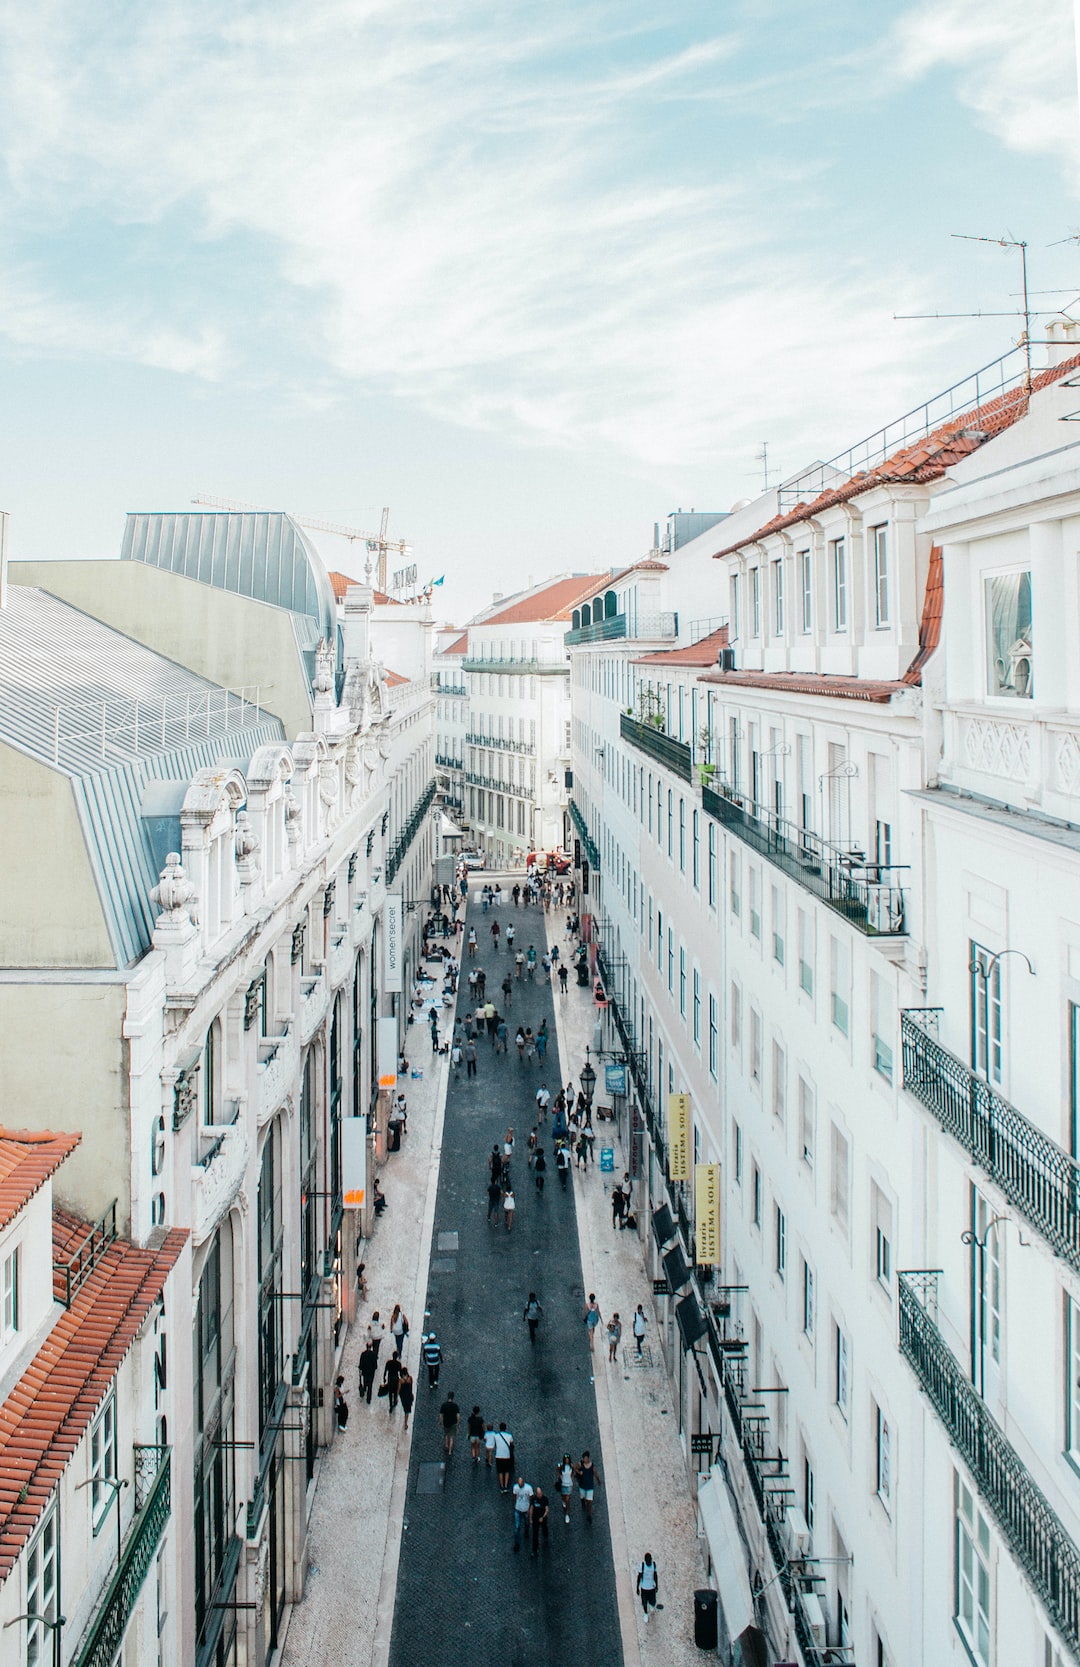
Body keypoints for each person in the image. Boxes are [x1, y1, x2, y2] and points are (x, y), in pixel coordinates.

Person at [575, 1450, 602, 1522]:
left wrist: (598, 1480)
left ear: (588, 1458)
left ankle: (589, 1515)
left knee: (589, 1502)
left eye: (586, 1458)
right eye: (584, 1458)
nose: (585, 1460)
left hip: (590, 1487)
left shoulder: (592, 1466)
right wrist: (579, 1472)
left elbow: (595, 1474)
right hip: (582, 1486)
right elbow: (575, 1468)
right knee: (582, 1497)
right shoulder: (580, 1464)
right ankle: (582, 1502)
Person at [512, 1476, 535, 1552]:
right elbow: (514, 1496)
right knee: (517, 1527)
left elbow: (532, 1498)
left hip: (526, 1509)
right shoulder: (515, 1487)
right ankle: (517, 1543)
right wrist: (514, 1505)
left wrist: (529, 1508)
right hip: (518, 1509)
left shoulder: (528, 1488)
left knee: (526, 1523)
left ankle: (526, 1531)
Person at [637, 1552, 660, 1621]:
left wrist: (656, 1585)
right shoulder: (642, 1566)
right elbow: (639, 1577)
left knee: (653, 1601)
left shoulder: (654, 1565)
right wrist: (637, 1587)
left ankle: (651, 1605)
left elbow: (655, 1575)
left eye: (650, 1560)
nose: (649, 1562)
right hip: (644, 1588)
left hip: (651, 1587)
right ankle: (645, 1613)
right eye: (648, 1560)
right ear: (645, 1560)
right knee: (644, 1602)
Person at [493, 1422, 514, 1491]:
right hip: (507, 1456)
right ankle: (506, 1485)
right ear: (505, 1428)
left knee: (500, 1471)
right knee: (507, 1471)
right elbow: (512, 1444)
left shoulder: (496, 1436)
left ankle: (501, 1486)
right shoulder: (509, 1436)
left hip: (498, 1456)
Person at [529, 1485, 550, 1556]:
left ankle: (545, 1536)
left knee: (544, 1528)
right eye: (538, 1494)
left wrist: (543, 1517)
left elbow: (547, 1510)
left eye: (540, 1494)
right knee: (535, 1534)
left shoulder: (545, 1499)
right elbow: (531, 1509)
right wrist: (530, 1518)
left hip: (542, 1518)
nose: (540, 1495)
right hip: (535, 1518)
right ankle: (534, 1549)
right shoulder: (534, 1499)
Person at [439, 1391, 460, 1455]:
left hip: (446, 1422)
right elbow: (458, 1416)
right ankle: (450, 1451)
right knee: (451, 1437)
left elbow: (441, 1415)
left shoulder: (444, 1405)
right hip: (453, 1423)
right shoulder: (455, 1406)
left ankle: (446, 1445)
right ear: (453, 1397)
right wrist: (458, 1423)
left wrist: (440, 1422)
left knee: (446, 1434)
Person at [556, 1453, 575, 1523]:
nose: (567, 1461)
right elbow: (557, 1471)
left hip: (569, 1484)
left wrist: (572, 1482)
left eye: (568, 1460)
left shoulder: (572, 1466)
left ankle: (567, 1514)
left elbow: (573, 1473)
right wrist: (560, 1476)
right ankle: (563, 1501)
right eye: (566, 1460)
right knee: (564, 1497)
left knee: (568, 1500)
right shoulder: (561, 1466)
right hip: (563, 1484)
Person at [358, 1340, 378, 1405]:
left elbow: (361, 1364)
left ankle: (364, 1389)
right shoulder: (374, 1354)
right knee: (370, 1386)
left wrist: (360, 1370)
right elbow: (375, 1365)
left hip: (365, 1372)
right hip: (371, 1373)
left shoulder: (363, 1354)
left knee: (365, 1381)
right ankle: (368, 1399)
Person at [398, 1366, 414, 1431]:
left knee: (405, 1408)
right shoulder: (410, 1378)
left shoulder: (400, 1381)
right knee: (407, 1411)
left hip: (403, 1396)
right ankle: (405, 1423)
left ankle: (405, 1423)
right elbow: (411, 1386)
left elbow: (399, 1389)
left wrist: (397, 1396)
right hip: (409, 1395)